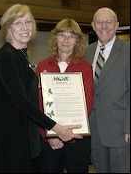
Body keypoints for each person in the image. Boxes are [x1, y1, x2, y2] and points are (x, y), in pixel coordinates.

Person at [0, 4, 83, 173]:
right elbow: (21, 101)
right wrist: (57, 128)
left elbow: (20, 88)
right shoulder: (6, 56)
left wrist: (41, 83)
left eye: (28, 22)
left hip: (27, 139)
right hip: (13, 141)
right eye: (18, 23)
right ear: (8, 28)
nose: (25, 27)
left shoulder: (21, 55)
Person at [35, 18, 94, 173]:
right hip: (50, 139)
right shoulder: (42, 66)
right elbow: (37, 104)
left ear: (77, 41)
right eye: (62, 35)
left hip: (77, 138)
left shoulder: (85, 68)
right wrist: (50, 134)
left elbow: (87, 103)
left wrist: (67, 133)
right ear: (55, 38)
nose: (66, 40)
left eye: (71, 36)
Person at [84, 7, 130, 173]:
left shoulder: (127, 50)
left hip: (120, 130)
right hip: (93, 129)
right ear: (93, 25)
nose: (104, 26)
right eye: (99, 22)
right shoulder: (86, 52)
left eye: (109, 21)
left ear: (116, 25)